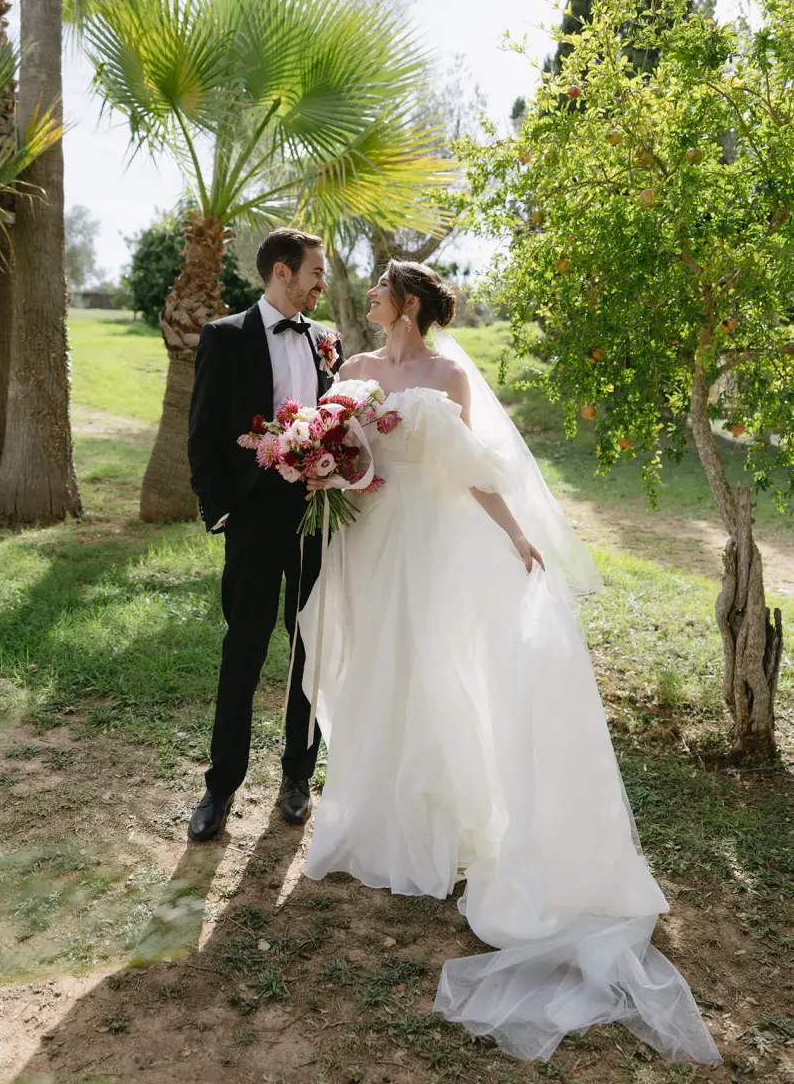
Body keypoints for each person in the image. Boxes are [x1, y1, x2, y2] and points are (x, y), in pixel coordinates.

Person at [297, 259, 721, 1065]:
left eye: (382, 291)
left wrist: (515, 533)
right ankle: (372, 820)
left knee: (433, 671)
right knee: (373, 669)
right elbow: (340, 449)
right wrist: (321, 468)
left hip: (435, 539)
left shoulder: (450, 372)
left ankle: (434, 822)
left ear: (408, 303)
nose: (371, 299)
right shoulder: (351, 369)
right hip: (373, 539)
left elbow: (470, 468)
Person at [186, 227, 342, 841]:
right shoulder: (225, 337)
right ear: (283, 271)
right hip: (252, 519)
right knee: (243, 650)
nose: (320, 284)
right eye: (314, 273)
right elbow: (202, 434)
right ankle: (220, 787)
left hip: (315, 517)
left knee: (310, 647)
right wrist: (221, 510)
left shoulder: (326, 341)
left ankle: (297, 777)